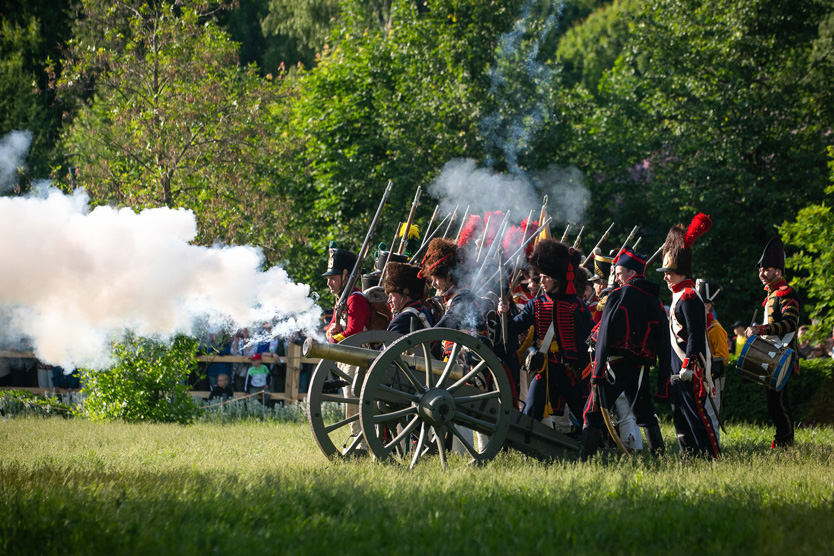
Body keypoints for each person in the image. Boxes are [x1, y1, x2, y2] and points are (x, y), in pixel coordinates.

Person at [579, 245, 670, 459]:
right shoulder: (654, 300)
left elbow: (604, 336)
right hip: (639, 368)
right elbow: (663, 343)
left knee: (591, 413)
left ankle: (582, 460)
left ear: (631, 273)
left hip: (615, 365)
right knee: (644, 413)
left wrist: (598, 371)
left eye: (619, 273)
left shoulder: (619, 295)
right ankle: (659, 458)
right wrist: (664, 383)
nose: (617, 278)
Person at [498, 239, 593, 425]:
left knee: (584, 413)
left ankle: (597, 448)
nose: (541, 281)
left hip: (570, 370)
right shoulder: (536, 304)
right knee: (531, 410)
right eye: (540, 276)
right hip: (545, 368)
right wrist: (505, 312)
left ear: (557, 278)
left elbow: (588, 340)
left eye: (546, 276)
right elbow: (513, 327)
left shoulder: (577, 306)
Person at [658, 213, 720, 459]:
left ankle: (710, 456)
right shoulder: (678, 296)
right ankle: (689, 457)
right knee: (681, 415)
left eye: (669, 272)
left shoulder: (690, 297)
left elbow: (695, 335)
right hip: (678, 365)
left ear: (681, 270)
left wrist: (688, 364)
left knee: (697, 415)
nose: (665, 276)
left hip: (689, 366)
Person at [745, 237, 801, 448]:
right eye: (761, 270)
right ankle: (782, 439)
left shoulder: (786, 293)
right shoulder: (772, 295)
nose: (762, 273)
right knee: (773, 404)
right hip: (772, 355)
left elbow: (789, 324)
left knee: (779, 403)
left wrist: (761, 329)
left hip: (784, 356)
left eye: (767, 269)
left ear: (778, 271)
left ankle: (786, 442)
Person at [323, 244, 371, 344]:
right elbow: (328, 331)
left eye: (332, 278)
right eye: (328, 279)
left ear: (345, 277)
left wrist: (333, 339)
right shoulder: (341, 300)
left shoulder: (355, 299)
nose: (328, 283)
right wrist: (332, 331)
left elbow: (354, 333)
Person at [697, 279, 729, 414]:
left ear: (708, 306)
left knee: (711, 416)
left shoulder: (715, 328)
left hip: (711, 378)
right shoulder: (698, 326)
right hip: (697, 378)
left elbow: (722, 357)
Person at [382, 261, 434, 334]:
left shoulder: (401, 320)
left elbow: (389, 345)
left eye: (392, 296)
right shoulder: (426, 312)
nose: (389, 301)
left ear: (405, 295)